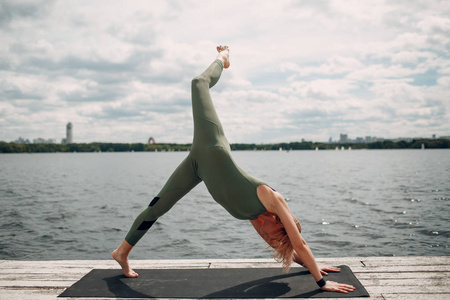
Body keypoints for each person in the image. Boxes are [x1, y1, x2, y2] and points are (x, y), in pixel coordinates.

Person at [113, 46, 355, 294]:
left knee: (156, 208)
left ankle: (121, 252)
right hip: (213, 146)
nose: (269, 240)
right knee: (198, 83)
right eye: (275, 237)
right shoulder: (271, 199)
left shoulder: (255, 219)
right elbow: (299, 243)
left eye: (273, 242)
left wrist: (313, 266)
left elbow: (293, 250)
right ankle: (223, 57)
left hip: (197, 166)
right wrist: (321, 282)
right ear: (280, 224)